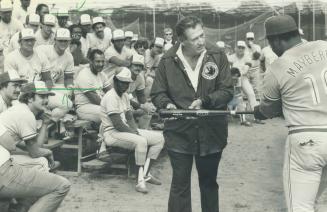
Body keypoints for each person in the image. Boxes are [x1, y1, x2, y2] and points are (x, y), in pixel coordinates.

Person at [151, 16, 233, 212]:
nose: (201, 41)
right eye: (195, 38)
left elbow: (227, 90)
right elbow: (157, 92)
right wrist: (167, 104)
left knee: (209, 184)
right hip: (179, 132)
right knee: (180, 186)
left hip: (212, 133)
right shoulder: (168, 61)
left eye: (202, 35)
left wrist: (205, 101)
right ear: (181, 40)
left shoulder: (217, 54)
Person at [254, 15, 327, 212]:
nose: (271, 47)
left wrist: (259, 112)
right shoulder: (324, 46)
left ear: (277, 40)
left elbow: (268, 109)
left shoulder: (278, 65)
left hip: (307, 138)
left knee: (301, 206)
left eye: (270, 42)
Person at [0, 80, 71, 212]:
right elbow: (35, 151)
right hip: (3, 165)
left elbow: (36, 146)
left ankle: (21, 205)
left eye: (47, 96)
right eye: (41, 96)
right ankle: (23, 205)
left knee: (41, 162)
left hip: (5, 158)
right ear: (30, 98)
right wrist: (48, 153)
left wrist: (45, 123)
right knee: (43, 165)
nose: (46, 100)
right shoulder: (25, 114)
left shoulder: (21, 110)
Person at [101, 67, 164, 194]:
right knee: (141, 141)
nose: (125, 85)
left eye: (127, 82)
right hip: (111, 133)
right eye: (122, 81)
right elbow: (118, 124)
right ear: (115, 81)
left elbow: (129, 116)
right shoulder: (110, 96)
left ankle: (146, 174)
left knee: (160, 138)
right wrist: (133, 133)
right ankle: (140, 182)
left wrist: (134, 130)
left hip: (124, 131)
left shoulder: (124, 96)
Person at [75, 49, 110, 123]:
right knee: (110, 113)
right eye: (98, 61)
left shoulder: (102, 74)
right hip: (84, 108)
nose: (101, 64)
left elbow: (111, 92)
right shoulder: (84, 75)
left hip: (98, 106)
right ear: (90, 61)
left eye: (102, 61)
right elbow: (96, 100)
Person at [245, 32, 262, 100]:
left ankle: (257, 107)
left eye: (251, 39)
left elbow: (257, 56)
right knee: (246, 90)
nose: (250, 40)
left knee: (257, 89)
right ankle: (246, 109)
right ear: (246, 39)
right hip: (246, 71)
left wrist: (252, 47)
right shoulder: (243, 48)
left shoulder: (257, 47)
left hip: (255, 70)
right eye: (248, 39)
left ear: (254, 39)